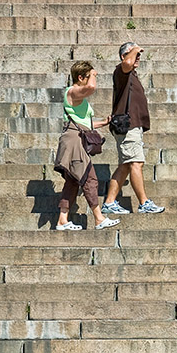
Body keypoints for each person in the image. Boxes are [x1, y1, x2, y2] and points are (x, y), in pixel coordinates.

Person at [53, 60, 120, 231]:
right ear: (81, 77)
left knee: (73, 181)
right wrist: (94, 75)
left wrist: (104, 122)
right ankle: (99, 218)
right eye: (89, 76)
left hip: (77, 138)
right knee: (89, 178)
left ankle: (62, 219)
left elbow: (83, 122)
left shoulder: (78, 98)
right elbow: (91, 88)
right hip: (74, 140)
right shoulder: (72, 92)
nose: (92, 79)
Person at [101, 42, 165, 215]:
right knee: (136, 162)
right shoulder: (121, 71)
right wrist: (136, 49)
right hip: (127, 126)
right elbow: (127, 64)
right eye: (134, 55)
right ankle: (144, 203)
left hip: (132, 126)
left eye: (138, 56)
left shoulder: (131, 75)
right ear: (124, 56)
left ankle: (109, 203)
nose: (137, 58)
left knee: (126, 165)